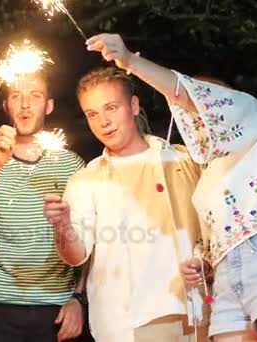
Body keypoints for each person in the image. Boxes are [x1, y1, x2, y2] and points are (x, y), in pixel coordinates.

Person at [85, 33, 257, 342]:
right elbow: (216, 231)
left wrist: (130, 61)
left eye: (204, 101)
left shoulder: (251, 117)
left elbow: (181, 91)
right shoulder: (208, 171)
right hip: (226, 278)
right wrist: (204, 264)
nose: (196, 112)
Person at [43, 66, 209, 342]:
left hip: (199, 312)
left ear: (133, 105)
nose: (103, 121)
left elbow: (215, 225)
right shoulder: (85, 180)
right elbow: (76, 255)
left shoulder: (183, 160)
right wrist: (62, 226)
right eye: (92, 114)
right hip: (130, 322)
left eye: (111, 108)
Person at [0, 71, 86, 342]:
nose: (25, 104)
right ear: (6, 105)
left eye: (35, 95)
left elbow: (89, 238)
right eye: (16, 95)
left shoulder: (73, 165)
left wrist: (79, 300)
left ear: (48, 105)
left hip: (57, 309)